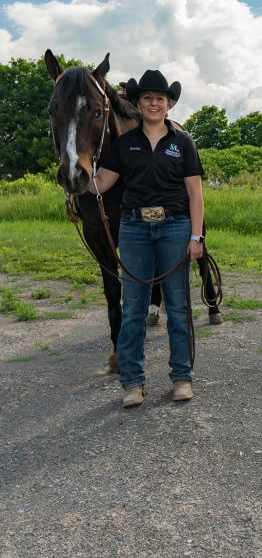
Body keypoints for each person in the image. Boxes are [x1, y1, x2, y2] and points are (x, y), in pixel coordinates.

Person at [90, 69, 205, 408]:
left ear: (168, 104)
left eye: (160, 98)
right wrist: (77, 179)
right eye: (147, 98)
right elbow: (103, 182)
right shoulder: (125, 144)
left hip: (174, 227)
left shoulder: (183, 143)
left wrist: (195, 236)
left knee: (179, 306)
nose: (154, 103)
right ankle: (133, 383)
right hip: (135, 229)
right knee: (134, 309)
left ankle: (182, 377)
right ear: (138, 104)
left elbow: (195, 193)